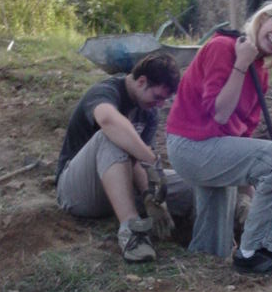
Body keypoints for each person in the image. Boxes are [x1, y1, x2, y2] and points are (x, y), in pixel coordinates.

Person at [166, 0, 272, 276]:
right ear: (263, 18)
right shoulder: (222, 47)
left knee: (214, 236)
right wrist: (241, 64)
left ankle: (207, 267)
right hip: (191, 147)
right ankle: (257, 250)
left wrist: (250, 192)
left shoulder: (260, 73)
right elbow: (220, 113)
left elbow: (243, 135)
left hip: (216, 148)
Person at [55, 53, 180, 263]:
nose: (160, 105)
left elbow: (138, 162)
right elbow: (107, 119)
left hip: (118, 188)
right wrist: (152, 161)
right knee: (112, 136)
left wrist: (151, 195)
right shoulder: (105, 91)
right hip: (76, 192)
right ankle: (132, 231)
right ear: (141, 82)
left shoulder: (148, 112)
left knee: (189, 183)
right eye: (157, 97)